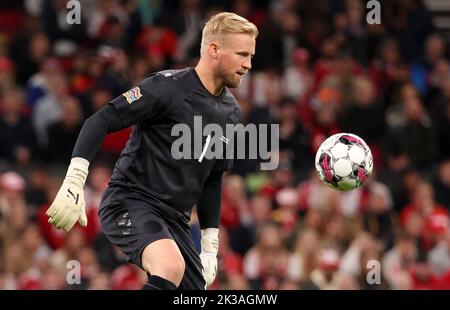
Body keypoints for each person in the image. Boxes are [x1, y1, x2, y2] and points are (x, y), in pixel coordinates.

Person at [45, 12, 258, 290]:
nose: (248, 64)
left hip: (175, 222)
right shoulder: (166, 87)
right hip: (130, 201)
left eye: (251, 56)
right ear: (213, 50)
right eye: (242, 54)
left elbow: (213, 178)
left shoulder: (231, 113)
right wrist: (75, 178)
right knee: (170, 267)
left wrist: (209, 244)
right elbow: (102, 119)